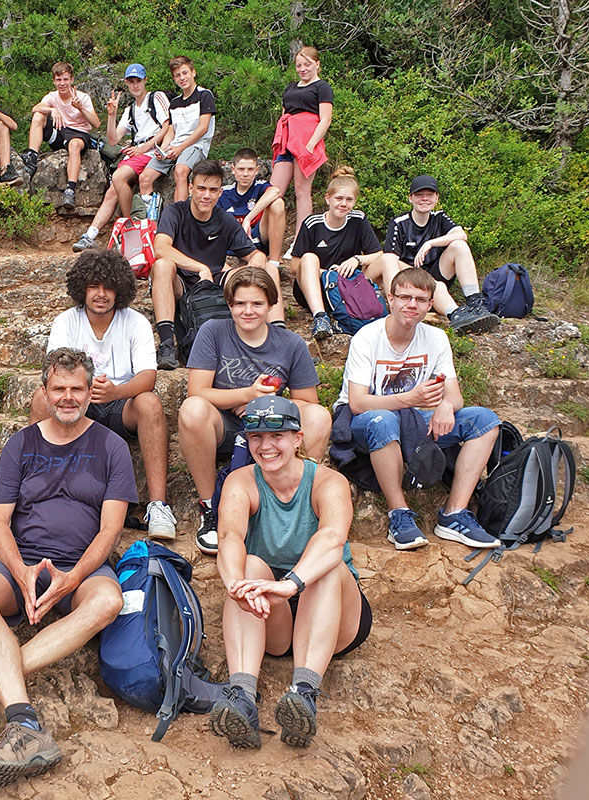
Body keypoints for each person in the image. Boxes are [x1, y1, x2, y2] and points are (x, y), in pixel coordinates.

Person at [0, 348, 135, 789]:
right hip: (22, 559)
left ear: (89, 393)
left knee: (108, 600)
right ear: (43, 392)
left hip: (79, 565)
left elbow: (110, 531)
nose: (68, 397)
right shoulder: (22, 443)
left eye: (77, 389)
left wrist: (74, 578)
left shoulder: (112, 446)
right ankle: (25, 723)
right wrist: (20, 569)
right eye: (59, 389)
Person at [209, 394, 371, 750]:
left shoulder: (328, 482)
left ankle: (304, 693)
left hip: (333, 609)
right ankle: (242, 698)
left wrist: (291, 584)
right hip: (275, 613)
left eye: (276, 435)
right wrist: (236, 585)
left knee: (328, 569)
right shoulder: (241, 481)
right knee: (247, 568)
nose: (266, 446)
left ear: (298, 439)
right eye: (256, 437)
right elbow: (229, 535)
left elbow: (332, 537)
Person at [333, 268, 502, 551]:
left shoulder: (436, 338)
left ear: (429, 304)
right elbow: (358, 402)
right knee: (383, 420)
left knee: (485, 420)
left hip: (418, 417)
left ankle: (454, 514)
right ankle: (398, 513)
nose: (412, 305)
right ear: (391, 299)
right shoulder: (368, 337)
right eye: (405, 297)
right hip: (368, 419)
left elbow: (454, 395)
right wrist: (410, 398)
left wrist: (447, 405)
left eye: (421, 299)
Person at [179, 267, 330, 555]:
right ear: (230, 305)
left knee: (318, 416)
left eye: (257, 304)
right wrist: (247, 394)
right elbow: (197, 391)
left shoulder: (291, 344)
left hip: (271, 427)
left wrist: (262, 407)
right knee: (192, 409)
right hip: (223, 424)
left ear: (271, 306)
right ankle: (210, 506)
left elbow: (307, 402)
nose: (248, 311)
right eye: (240, 304)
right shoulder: (213, 331)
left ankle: (299, 503)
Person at [34, 249, 176, 538]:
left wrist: (116, 391)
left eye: (108, 287)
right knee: (40, 397)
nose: (101, 294)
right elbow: (54, 373)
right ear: (81, 289)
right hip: (76, 400)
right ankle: (43, 491)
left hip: (119, 404)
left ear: (119, 289)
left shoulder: (134, 322)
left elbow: (148, 376)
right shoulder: (66, 321)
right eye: (93, 286)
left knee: (149, 403)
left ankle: (159, 506)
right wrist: (80, 393)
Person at [150, 159, 267, 370]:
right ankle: (167, 344)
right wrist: (200, 267)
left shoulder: (225, 220)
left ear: (220, 193)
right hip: (181, 282)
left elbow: (254, 254)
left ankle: (270, 336)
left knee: (257, 272)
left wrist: (256, 265)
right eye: (201, 188)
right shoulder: (175, 212)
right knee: (162, 265)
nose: (206, 195)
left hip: (213, 284)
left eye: (213, 190)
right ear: (190, 188)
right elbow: (160, 248)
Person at [381, 175, 499, 334]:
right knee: (436, 286)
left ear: (436, 198)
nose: (424, 199)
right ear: (410, 198)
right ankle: (457, 316)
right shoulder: (399, 223)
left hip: (438, 272)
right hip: (410, 279)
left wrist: (430, 243)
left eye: (429, 195)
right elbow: (390, 259)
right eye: (419, 195)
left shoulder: (439, 217)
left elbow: (461, 235)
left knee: (459, 246)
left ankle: (475, 303)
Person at [72, 64, 170, 251]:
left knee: (118, 177)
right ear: (126, 83)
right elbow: (113, 138)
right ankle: (91, 234)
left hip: (151, 150)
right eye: (131, 82)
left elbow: (166, 126)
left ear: (145, 80)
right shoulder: (130, 109)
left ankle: (131, 228)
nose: (135, 86)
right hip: (138, 152)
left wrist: (143, 148)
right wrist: (112, 115)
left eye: (138, 81)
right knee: (112, 191)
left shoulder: (156, 98)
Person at [292, 166, 396, 340]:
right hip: (317, 286)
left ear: (355, 201)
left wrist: (357, 259)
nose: (343, 204)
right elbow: (295, 266)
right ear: (328, 198)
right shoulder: (313, 223)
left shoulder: (358, 219)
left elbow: (378, 253)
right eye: (339, 198)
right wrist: (329, 274)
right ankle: (321, 317)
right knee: (309, 258)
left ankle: (397, 312)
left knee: (389, 259)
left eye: (349, 199)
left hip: (350, 286)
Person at [268, 45, 332, 258]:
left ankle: (300, 242)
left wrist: (311, 145)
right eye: (299, 65)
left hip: (306, 142)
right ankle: (268, 238)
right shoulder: (290, 87)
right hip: (288, 140)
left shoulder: (322, 87)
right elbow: (285, 114)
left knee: (302, 192)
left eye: (307, 64)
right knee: (273, 191)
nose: (303, 69)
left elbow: (325, 119)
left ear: (317, 64)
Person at [138, 56, 217, 206]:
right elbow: (171, 130)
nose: (182, 78)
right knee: (145, 177)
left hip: (195, 145)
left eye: (185, 73)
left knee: (180, 171)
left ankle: (178, 218)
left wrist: (180, 148)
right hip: (175, 146)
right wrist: (163, 149)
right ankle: (148, 221)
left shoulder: (204, 95)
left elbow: (203, 128)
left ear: (193, 72)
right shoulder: (174, 103)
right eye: (178, 75)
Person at [20, 62, 99, 211]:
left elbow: (96, 122)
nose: (62, 84)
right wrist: (51, 110)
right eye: (59, 80)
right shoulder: (52, 96)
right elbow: (35, 108)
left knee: (74, 146)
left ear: (72, 80)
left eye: (65, 79)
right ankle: (32, 156)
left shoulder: (83, 97)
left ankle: (70, 189)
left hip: (78, 133)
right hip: (60, 131)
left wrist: (81, 108)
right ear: (54, 81)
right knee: (38, 116)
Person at [218, 148, 286, 278]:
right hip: (233, 242)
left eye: (250, 169)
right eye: (241, 169)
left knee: (277, 204)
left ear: (257, 170)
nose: (245, 174)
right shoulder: (224, 193)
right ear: (233, 169)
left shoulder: (260, 186)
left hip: (257, 236)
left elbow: (276, 191)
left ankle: (274, 262)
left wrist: (248, 218)